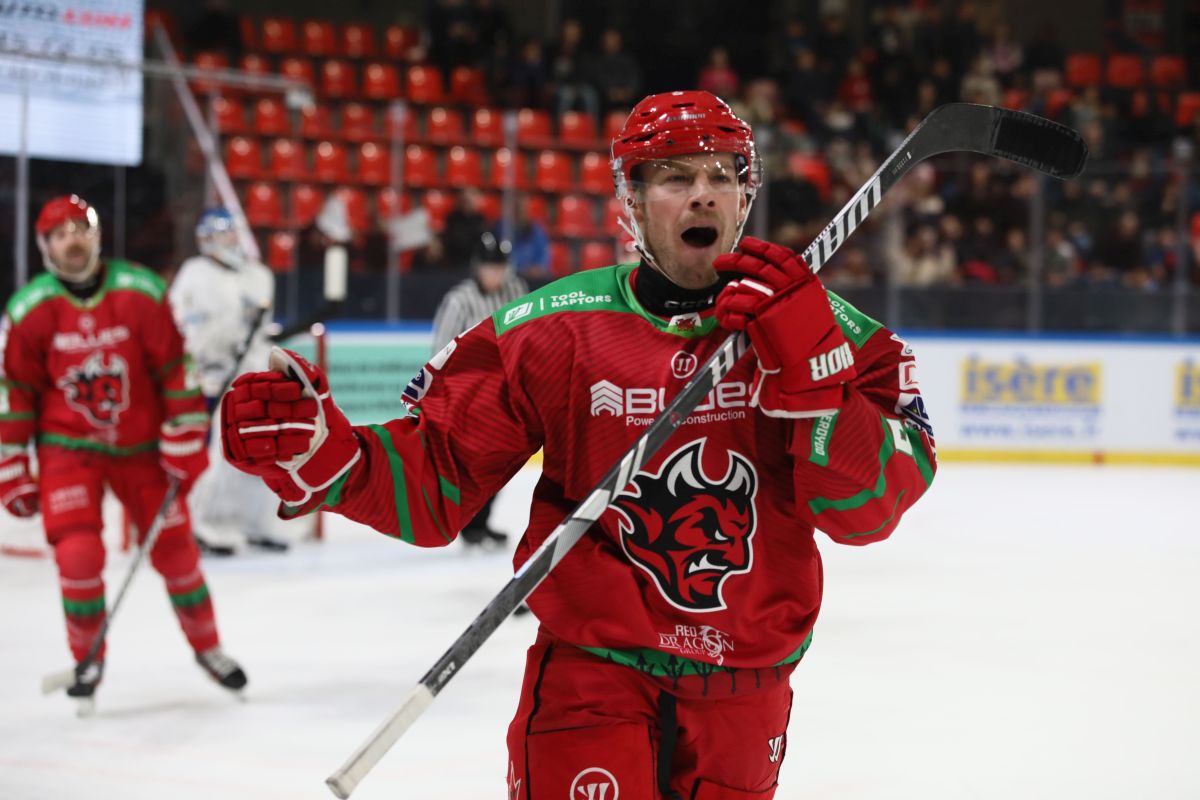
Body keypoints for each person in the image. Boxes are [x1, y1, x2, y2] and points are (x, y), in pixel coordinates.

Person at [219, 92, 936, 797]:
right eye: (676, 176)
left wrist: (819, 380)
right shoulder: (551, 328)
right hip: (594, 670)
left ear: (746, 196)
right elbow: (436, 480)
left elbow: (866, 513)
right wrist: (330, 457)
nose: (703, 196)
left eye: (722, 175)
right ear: (630, 201)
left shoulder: (826, 326)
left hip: (746, 686)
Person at [0, 195, 247, 705]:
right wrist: (12, 464)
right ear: (45, 246)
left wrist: (185, 433)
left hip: (141, 449)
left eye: (80, 228)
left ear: (96, 236)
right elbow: (15, 393)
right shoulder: (29, 309)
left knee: (178, 553)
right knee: (79, 556)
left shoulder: (140, 290)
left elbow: (177, 369)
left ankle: (208, 647)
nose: (72, 239)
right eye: (59, 233)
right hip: (69, 449)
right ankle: (87, 663)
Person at [169, 207, 291, 554]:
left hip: (251, 375)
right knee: (217, 452)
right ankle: (204, 524)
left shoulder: (259, 275)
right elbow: (179, 324)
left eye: (229, 233)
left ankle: (257, 522)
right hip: (210, 378)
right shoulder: (194, 274)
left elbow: (261, 331)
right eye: (217, 236)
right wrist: (202, 353)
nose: (226, 242)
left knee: (265, 449)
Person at [430, 231, 529, 548]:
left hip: (507, 393)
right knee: (475, 463)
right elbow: (440, 351)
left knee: (502, 461)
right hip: (470, 395)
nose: (495, 275)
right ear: (478, 268)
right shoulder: (459, 300)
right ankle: (468, 523)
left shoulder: (516, 290)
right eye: (490, 268)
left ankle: (480, 522)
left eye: (500, 268)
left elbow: (527, 337)